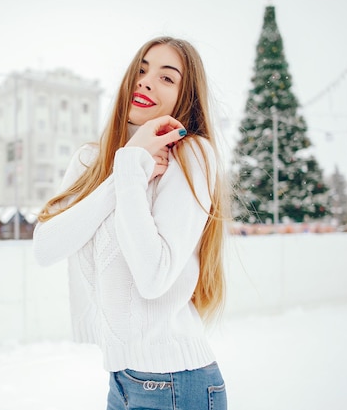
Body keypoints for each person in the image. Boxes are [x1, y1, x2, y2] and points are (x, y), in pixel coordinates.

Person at [33, 36, 229, 410]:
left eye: (166, 78)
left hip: (177, 383)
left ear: (185, 98)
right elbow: (46, 248)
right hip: (121, 381)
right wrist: (125, 170)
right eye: (141, 70)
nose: (146, 81)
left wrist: (129, 169)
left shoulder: (191, 155)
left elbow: (153, 277)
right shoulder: (93, 160)